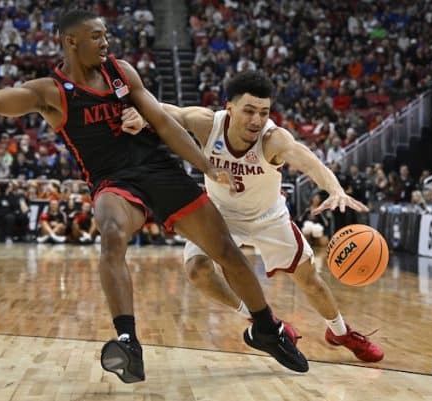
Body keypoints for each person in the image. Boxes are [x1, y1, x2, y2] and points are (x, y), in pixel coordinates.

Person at [0, 11, 308, 382]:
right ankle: (128, 343)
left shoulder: (122, 73)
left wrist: (206, 166)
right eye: (96, 36)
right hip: (113, 181)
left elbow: (164, 124)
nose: (106, 42)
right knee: (112, 232)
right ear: (70, 42)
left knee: (226, 250)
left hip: (159, 171)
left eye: (106, 35)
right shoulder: (51, 91)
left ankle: (267, 327)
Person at [160, 70, 384, 363]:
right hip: (220, 214)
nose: (256, 120)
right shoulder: (206, 124)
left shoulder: (273, 139)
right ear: (229, 107)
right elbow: (163, 111)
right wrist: (135, 113)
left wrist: (335, 189)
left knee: (310, 280)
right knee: (197, 271)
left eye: (264, 112)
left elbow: (310, 162)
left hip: (267, 217)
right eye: (249, 111)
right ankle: (264, 321)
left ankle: (340, 332)